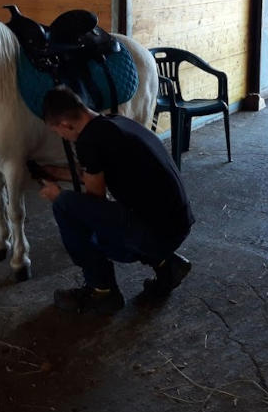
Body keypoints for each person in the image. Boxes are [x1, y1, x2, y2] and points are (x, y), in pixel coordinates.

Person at [37, 86, 195, 315]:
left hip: (158, 234)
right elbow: (96, 174)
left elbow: (94, 203)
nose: (62, 137)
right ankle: (167, 265)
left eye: (59, 133)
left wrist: (56, 194)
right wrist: (56, 172)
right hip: (177, 223)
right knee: (97, 211)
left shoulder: (88, 142)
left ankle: (102, 291)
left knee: (65, 206)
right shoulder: (114, 122)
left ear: (65, 125)